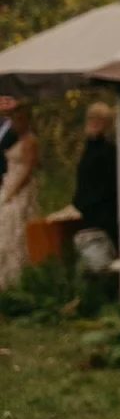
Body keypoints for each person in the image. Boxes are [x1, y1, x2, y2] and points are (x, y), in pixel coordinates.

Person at [0, 100, 39, 290]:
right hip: (9, 181)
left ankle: (16, 278)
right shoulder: (15, 139)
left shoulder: (30, 141)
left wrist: (12, 191)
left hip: (18, 187)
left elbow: (27, 168)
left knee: (15, 227)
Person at [73, 102, 119, 250]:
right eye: (92, 118)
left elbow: (107, 183)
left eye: (100, 120)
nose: (94, 123)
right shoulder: (88, 147)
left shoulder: (109, 151)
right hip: (86, 212)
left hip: (103, 213)